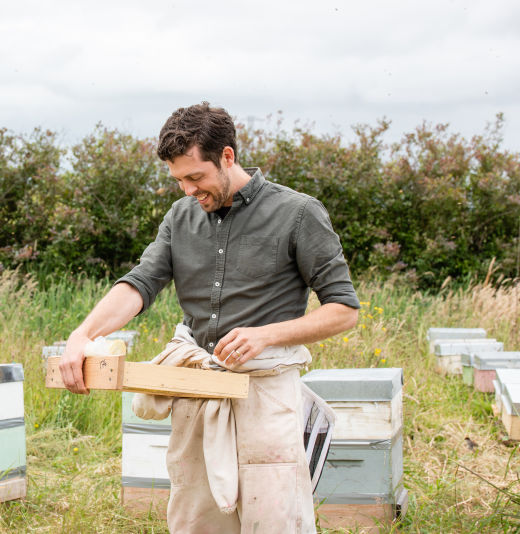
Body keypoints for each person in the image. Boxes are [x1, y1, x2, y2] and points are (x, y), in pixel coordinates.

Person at [59, 102, 359, 533]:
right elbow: (141, 283)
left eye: (195, 176)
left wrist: (266, 336)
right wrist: (82, 334)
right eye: (178, 179)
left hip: (265, 394)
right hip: (196, 390)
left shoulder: (298, 213)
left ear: (227, 157)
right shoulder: (180, 218)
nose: (186, 190)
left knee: (273, 520)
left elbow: (343, 310)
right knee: (197, 521)